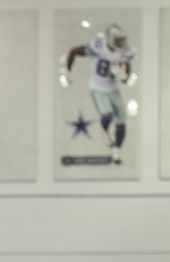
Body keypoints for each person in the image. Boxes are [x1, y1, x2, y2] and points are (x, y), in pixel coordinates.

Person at [63, 24, 136, 165]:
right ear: (110, 39)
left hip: (114, 89)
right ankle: (104, 130)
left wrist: (126, 76)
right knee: (107, 115)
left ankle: (116, 149)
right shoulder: (98, 46)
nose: (121, 43)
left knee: (121, 121)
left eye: (122, 40)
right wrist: (68, 70)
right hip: (98, 88)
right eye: (118, 40)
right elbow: (74, 51)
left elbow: (127, 63)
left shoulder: (125, 50)